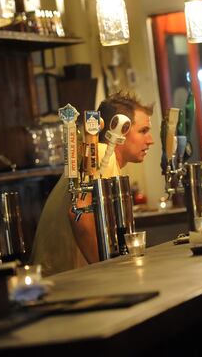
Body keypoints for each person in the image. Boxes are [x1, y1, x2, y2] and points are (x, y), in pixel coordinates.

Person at [31, 92, 154, 275]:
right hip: (66, 281)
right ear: (119, 129)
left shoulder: (96, 154)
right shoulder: (103, 154)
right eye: (143, 131)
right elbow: (78, 215)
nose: (150, 140)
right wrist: (112, 271)